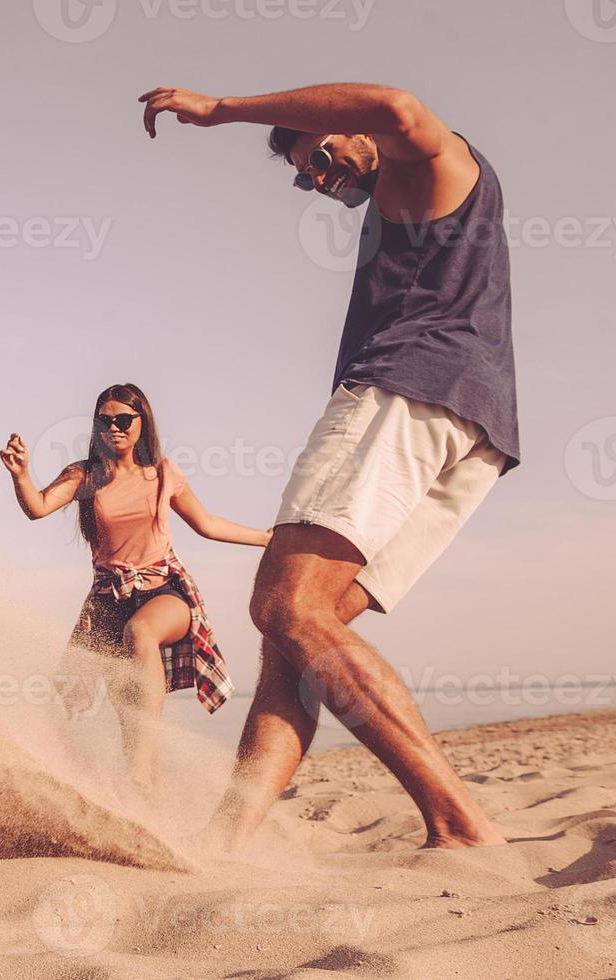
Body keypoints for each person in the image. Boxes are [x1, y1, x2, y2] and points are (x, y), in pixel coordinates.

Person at [139, 82, 518, 849]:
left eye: (312, 154)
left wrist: (220, 112)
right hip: (468, 423)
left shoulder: (425, 168)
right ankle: (223, 841)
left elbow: (397, 106)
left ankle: (457, 824)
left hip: (405, 392)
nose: (310, 179)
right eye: (300, 172)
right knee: (292, 641)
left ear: (345, 133)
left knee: (285, 608)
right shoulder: (406, 200)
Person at [1, 384, 269, 797]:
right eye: (105, 420)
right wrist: (20, 474)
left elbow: (208, 524)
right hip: (108, 603)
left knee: (141, 632)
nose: (115, 428)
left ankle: (140, 773)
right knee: (126, 712)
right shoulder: (84, 474)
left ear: (142, 423)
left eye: (124, 419)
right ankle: (145, 796)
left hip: (164, 592)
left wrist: (267, 538)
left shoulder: (162, 472)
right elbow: (36, 507)